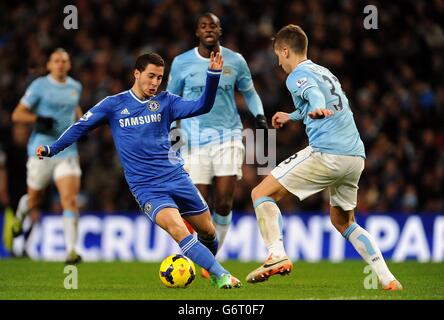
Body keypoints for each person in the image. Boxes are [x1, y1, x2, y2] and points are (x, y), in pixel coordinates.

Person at [36, 51, 242, 289]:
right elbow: (79, 127)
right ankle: (222, 274)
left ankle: (210, 267)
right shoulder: (113, 105)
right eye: (151, 76)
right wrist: (52, 148)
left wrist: (213, 75)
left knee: (208, 231)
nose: (155, 83)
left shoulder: (167, 102)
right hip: (147, 188)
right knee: (177, 228)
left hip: (176, 178)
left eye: (159, 78)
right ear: (136, 73)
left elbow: (202, 106)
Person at [246, 24, 403, 291]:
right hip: (354, 157)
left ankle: (276, 254)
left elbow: (314, 96)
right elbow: (316, 101)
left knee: (261, 193)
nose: (279, 62)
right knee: (343, 221)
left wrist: (316, 106)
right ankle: (388, 280)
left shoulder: (296, 75)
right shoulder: (324, 71)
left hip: (328, 152)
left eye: (278, 56)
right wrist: (291, 115)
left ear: (285, 51)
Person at [167, 12, 268, 268]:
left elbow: (250, 92)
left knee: (223, 201)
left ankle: (211, 258)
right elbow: (170, 102)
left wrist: (259, 116)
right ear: (197, 33)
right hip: (193, 141)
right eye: (203, 26)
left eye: (213, 25)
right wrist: (169, 135)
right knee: (197, 208)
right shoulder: (182, 63)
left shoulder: (235, 61)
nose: (208, 29)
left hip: (228, 137)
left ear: (220, 31)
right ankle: (196, 254)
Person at [11, 48, 83, 264]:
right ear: (49, 65)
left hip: (67, 151)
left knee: (69, 200)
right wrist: (38, 119)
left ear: (69, 65)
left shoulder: (75, 87)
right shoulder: (39, 85)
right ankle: (20, 216)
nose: (60, 64)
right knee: (34, 200)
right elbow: (17, 114)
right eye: (56, 60)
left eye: (64, 60)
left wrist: (84, 122)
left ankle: (71, 251)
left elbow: (75, 110)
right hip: (41, 151)